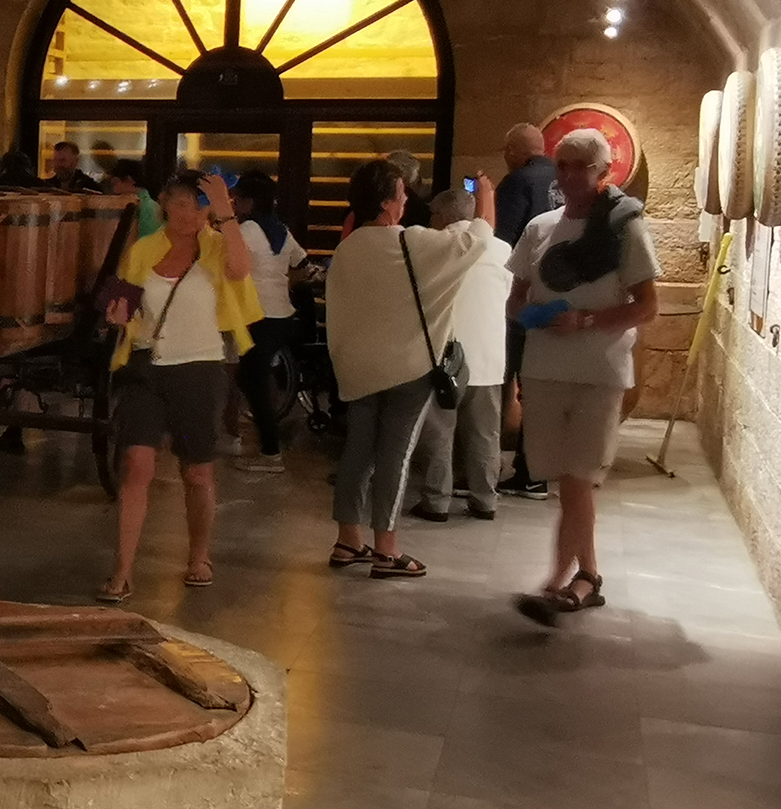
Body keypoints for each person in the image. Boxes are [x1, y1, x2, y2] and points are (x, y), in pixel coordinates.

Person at [323, 157, 498, 581]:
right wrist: (486, 197)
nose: (406, 201)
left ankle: (348, 539)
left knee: (357, 453)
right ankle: (387, 549)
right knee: (395, 457)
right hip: (407, 368)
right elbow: (477, 240)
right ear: (387, 203)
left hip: (357, 369)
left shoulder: (347, 249)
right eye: (402, 194)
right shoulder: (411, 242)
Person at [511, 129, 660, 624]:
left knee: (578, 477)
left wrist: (587, 321)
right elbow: (515, 298)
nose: (571, 175)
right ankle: (588, 576)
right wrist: (531, 315)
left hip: (598, 371)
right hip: (544, 370)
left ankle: (556, 579)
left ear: (604, 172)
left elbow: (647, 307)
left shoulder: (623, 229)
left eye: (582, 166)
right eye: (564, 165)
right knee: (566, 481)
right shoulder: (539, 228)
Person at [99, 172, 259, 599]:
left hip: (199, 368)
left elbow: (241, 270)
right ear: (165, 204)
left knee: (197, 472)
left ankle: (199, 555)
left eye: (197, 206)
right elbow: (123, 301)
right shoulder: (143, 250)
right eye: (181, 204)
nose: (188, 214)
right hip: (145, 366)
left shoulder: (218, 247)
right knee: (136, 465)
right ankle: (122, 570)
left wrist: (224, 210)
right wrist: (118, 315)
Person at [407, 189, 511, 521]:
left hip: (445, 356)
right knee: (485, 433)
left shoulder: (434, 245)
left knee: (439, 432)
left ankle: (436, 501)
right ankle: (485, 500)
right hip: (488, 356)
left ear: (441, 217)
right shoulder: (502, 249)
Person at [494, 122, 562, 501]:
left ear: (513, 152)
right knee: (538, 389)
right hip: (556, 301)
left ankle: (484, 466)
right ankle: (536, 472)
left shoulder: (517, 182)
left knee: (501, 381)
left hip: (520, 300)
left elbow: (502, 241)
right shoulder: (562, 180)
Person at [226, 171, 309, 473]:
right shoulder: (281, 229)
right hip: (282, 315)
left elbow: (229, 261)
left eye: (237, 199)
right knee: (256, 379)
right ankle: (269, 445)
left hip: (259, 316)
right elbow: (301, 262)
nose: (234, 204)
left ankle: (271, 453)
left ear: (249, 201)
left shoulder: (247, 229)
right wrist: (283, 282)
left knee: (252, 382)